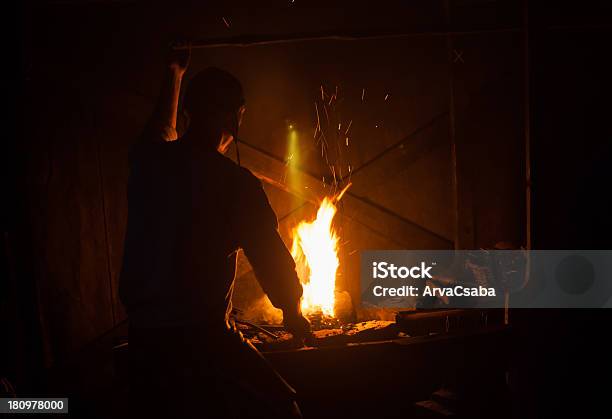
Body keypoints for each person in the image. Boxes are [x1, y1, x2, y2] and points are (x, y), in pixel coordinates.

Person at [119, 45, 310, 418]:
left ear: (189, 111)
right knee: (284, 406)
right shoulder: (234, 184)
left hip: (144, 342)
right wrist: (291, 308)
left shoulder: (149, 163)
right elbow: (269, 256)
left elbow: (161, 129)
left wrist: (174, 74)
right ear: (236, 118)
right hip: (203, 339)